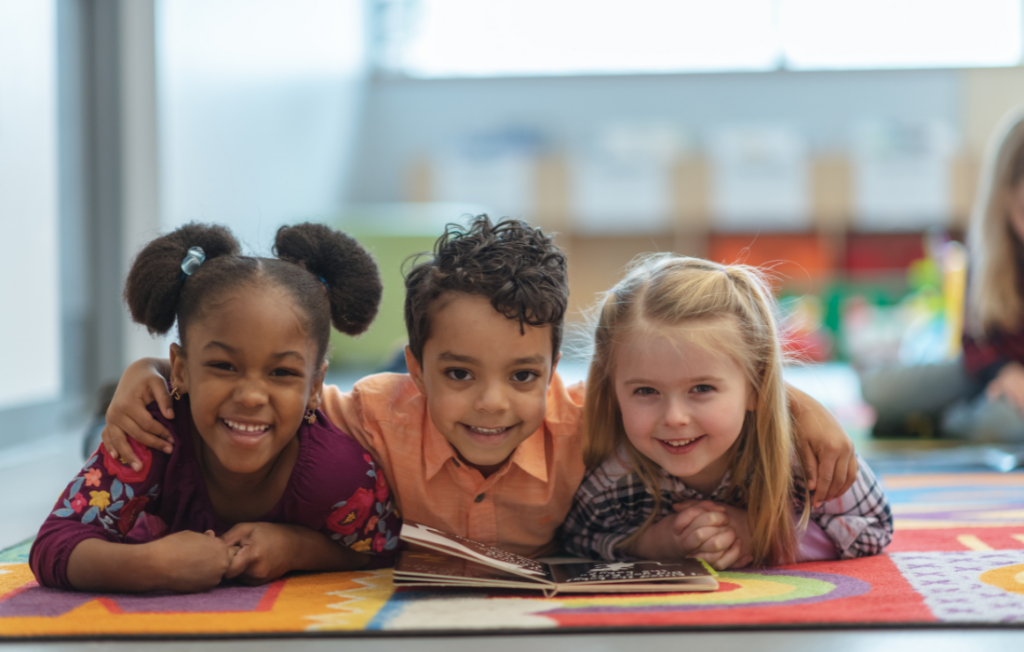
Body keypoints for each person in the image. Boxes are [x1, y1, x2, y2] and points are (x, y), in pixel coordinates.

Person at [100, 216, 859, 558]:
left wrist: (795, 404)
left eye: (523, 375)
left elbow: (685, 393)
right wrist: (142, 375)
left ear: (556, 370)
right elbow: (267, 394)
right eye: (459, 375)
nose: (492, 403)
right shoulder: (372, 414)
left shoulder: (589, 424)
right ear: (416, 366)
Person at [31, 222, 400, 592]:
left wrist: (294, 548)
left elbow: (380, 546)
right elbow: (54, 542)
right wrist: (147, 565)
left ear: (316, 387)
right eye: (224, 366)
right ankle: (107, 410)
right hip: (151, 441)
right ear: (180, 369)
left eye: (282, 372)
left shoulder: (338, 472)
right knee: (107, 435)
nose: (251, 397)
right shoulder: (152, 433)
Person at [561, 255, 892, 569]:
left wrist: (768, 538)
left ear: (755, 387)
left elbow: (874, 526)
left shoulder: (804, 456)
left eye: (702, 389)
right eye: (646, 391)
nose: (675, 417)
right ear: (613, 391)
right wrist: (653, 544)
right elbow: (576, 538)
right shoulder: (614, 474)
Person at [863, 106, 1024, 441]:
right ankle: (936, 412)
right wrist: (1004, 372)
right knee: (878, 389)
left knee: (999, 427)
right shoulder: (991, 256)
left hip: (1009, 393)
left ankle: (944, 421)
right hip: (980, 370)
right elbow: (975, 341)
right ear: (1005, 202)